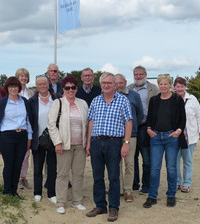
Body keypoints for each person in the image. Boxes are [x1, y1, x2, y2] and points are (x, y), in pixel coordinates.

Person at [86, 72, 132, 222]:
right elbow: (91, 122)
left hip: (114, 142)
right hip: (96, 142)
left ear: (115, 85)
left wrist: (126, 143)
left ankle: (113, 207)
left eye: (109, 83)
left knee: (113, 177)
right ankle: (100, 206)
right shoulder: (95, 101)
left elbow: (128, 122)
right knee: (97, 176)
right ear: (101, 84)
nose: (106, 85)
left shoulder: (123, 101)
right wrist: (88, 143)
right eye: (104, 83)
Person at [143, 74, 187, 208]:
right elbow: (149, 117)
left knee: (171, 168)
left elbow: (182, 118)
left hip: (171, 138)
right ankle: (152, 196)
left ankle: (171, 195)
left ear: (170, 85)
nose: (163, 86)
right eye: (160, 84)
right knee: (155, 169)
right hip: (156, 138)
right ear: (158, 85)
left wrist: (178, 131)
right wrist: (149, 129)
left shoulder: (177, 100)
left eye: (165, 84)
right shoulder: (154, 100)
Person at [48, 76, 89, 214]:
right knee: (62, 174)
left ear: (76, 89)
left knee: (78, 174)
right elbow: (51, 124)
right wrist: (57, 142)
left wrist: (87, 143)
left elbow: (88, 124)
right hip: (64, 145)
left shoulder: (83, 103)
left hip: (80, 145)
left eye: (73, 87)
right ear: (63, 89)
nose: (70, 90)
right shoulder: (57, 103)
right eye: (67, 87)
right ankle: (61, 202)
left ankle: (77, 201)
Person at [0, 76, 32, 197]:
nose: (13, 89)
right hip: (7, 136)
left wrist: (29, 138)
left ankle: (14, 191)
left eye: (15, 86)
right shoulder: (2, 103)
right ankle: (7, 190)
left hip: (22, 136)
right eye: (11, 86)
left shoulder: (24, 102)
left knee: (18, 164)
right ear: (7, 88)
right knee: (9, 164)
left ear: (19, 88)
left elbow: (28, 121)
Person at [128, 65, 159, 194]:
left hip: (146, 126)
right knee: (132, 157)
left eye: (140, 74)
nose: (138, 77)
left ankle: (146, 186)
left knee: (146, 158)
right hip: (132, 127)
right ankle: (134, 184)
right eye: (136, 74)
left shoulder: (153, 88)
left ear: (145, 74)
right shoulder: (129, 89)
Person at [29, 75, 59, 203]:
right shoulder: (32, 101)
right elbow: (29, 121)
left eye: (44, 84)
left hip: (53, 138)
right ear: (36, 86)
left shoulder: (56, 99)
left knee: (52, 167)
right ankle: (37, 192)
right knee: (38, 167)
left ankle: (51, 193)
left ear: (48, 85)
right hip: (38, 138)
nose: (42, 86)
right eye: (39, 84)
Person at [173, 77, 200, 193]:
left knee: (187, 160)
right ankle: (176, 182)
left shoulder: (192, 99)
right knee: (174, 160)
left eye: (182, 86)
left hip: (189, 135)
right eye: (177, 86)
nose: (180, 88)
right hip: (175, 135)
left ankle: (186, 183)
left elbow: (199, 116)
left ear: (185, 87)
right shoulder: (171, 99)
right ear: (174, 87)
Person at [115, 74, 143, 202]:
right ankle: (118, 189)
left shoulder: (134, 95)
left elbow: (140, 114)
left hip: (131, 135)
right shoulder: (110, 96)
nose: (119, 85)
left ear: (125, 82)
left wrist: (134, 127)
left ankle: (128, 190)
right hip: (114, 135)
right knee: (115, 164)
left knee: (129, 163)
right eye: (116, 83)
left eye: (121, 82)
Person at [15, 68, 35, 189]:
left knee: (26, 154)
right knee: (16, 153)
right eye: (21, 76)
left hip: (28, 126)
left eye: (25, 76)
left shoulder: (32, 93)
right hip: (15, 127)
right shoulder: (13, 92)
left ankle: (23, 177)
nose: (23, 78)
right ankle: (15, 177)